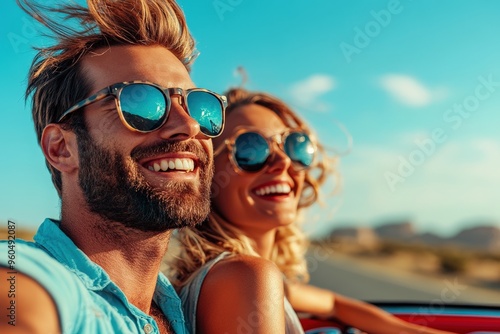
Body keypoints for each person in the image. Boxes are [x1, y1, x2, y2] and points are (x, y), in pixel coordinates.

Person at [0, 0, 227, 333]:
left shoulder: (193, 312)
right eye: (141, 102)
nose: (189, 126)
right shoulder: (31, 279)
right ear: (62, 148)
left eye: (197, 104)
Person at [169, 87, 455, 334]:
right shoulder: (245, 276)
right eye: (250, 150)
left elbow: (333, 303)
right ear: (207, 178)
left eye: (293, 146)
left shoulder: (247, 277)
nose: (282, 162)